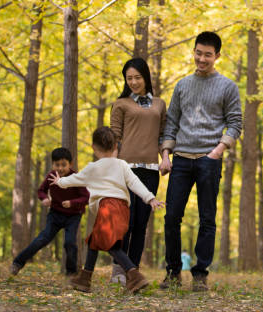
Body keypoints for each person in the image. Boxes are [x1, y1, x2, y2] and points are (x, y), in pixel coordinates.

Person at [159, 31, 242, 291]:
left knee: (208, 219)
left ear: (217, 56)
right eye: (198, 52)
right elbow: (171, 122)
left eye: (207, 54)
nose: (202, 58)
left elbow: (235, 123)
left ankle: (199, 274)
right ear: (193, 51)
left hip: (209, 159)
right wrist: (165, 154)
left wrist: (217, 151)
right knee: (171, 216)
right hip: (181, 159)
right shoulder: (182, 85)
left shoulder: (228, 86)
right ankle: (173, 272)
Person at [50, 126, 164, 294]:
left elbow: (75, 179)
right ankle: (84, 278)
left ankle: (134, 275)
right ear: (116, 146)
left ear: (94, 148)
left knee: (111, 246)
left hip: (107, 207)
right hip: (123, 209)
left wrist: (60, 182)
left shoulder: (93, 167)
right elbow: (135, 183)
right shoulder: (122, 165)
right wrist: (150, 198)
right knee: (94, 242)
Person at [109, 57, 167, 284]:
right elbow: (114, 137)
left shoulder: (160, 104)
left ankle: (133, 271)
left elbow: (163, 135)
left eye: (137, 77)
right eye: (129, 78)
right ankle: (119, 270)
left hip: (151, 170)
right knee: (127, 221)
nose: (133, 82)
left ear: (146, 77)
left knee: (141, 223)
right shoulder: (121, 103)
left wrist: (165, 158)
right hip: (126, 169)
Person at [10, 147, 89, 276]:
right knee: (42, 239)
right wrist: (45, 198)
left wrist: (72, 203)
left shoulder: (76, 178)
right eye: (57, 165)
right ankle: (17, 263)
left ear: (71, 164)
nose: (60, 168)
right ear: (53, 164)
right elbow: (40, 190)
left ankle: (71, 273)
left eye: (64, 165)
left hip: (73, 216)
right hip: (55, 214)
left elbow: (86, 197)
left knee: (70, 243)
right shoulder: (51, 176)